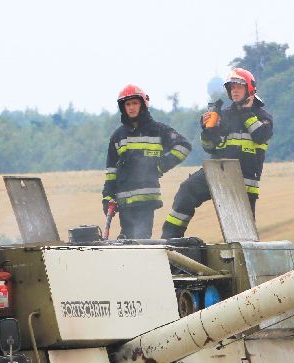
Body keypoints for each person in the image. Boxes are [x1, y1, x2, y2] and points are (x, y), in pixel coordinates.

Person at [162, 67, 273, 239]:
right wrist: (208, 131)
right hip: (217, 174)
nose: (234, 90)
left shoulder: (262, 116)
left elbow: (260, 136)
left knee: (243, 234)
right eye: (232, 87)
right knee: (187, 189)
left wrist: (245, 113)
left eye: (239, 86)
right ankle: (169, 240)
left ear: (249, 88)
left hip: (243, 182)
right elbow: (210, 147)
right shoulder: (224, 115)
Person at [102, 84, 192, 239]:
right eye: (127, 104)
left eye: (135, 103)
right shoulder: (118, 136)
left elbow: (184, 146)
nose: (131, 108)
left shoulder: (158, 130)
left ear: (143, 104)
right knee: (126, 241)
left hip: (146, 200)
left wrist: (160, 166)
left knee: (140, 241)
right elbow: (111, 170)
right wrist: (107, 196)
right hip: (124, 201)